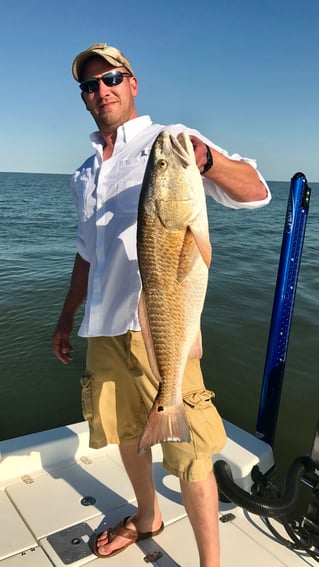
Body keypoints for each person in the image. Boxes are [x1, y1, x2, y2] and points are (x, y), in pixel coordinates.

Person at [52, 43, 271, 566]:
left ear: (131, 83)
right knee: (130, 434)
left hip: (162, 323)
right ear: (83, 97)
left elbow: (256, 190)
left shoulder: (169, 141)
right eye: (89, 85)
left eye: (111, 79)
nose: (101, 90)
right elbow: (87, 254)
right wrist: (66, 318)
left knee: (189, 448)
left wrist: (209, 161)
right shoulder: (84, 173)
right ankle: (147, 516)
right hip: (102, 327)